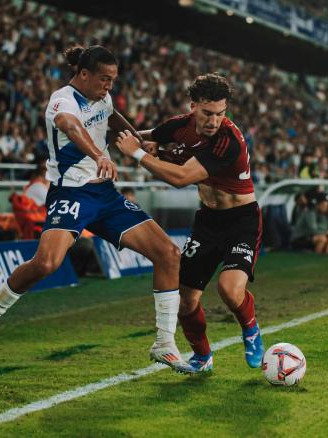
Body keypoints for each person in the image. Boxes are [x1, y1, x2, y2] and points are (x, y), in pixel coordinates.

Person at [0, 45, 188, 371]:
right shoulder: (61, 100)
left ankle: (164, 343)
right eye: (104, 79)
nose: (109, 86)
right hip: (71, 195)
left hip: (106, 196)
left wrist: (139, 139)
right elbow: (71, 126)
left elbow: (112, 118)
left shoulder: (103, 97)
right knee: (46, 263)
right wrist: (99, 155)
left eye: (113, 79)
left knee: (168, 254)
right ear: (83, 74)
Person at [116, 73, 265, 374]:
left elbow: (180, 178)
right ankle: (202, 356)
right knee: (186, 300)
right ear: (193, 106)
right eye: (208, 113)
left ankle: (251, 330)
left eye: (220, 114)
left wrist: (137, 153)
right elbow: (144, 136)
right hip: (208, 221)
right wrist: (126, 137)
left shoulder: (228, 140)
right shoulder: (179, 126)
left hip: (241, 221)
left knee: (230, 289)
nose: (214, 121)